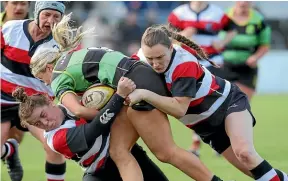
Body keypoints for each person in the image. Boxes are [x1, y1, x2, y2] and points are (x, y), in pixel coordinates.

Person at [30, 13, 224, 181]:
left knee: (164, 152)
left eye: (42, 79)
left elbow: (79, 110)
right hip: (139, 77)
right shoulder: (72, 57)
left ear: (48, 68)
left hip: (136, 85)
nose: (46, 84)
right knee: (121, 151)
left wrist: (107, 112)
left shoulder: (57, 77)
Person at [129, 24, 288, 181]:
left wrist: (145, 94)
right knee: (254, 171)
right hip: (205, 126)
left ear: (171, 48)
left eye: (160, 57)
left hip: (227, 104)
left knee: (245, 153)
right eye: (150, 59)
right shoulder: (140, 59)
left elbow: (179, 109)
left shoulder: (183, 64)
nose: (155, 64)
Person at [12, 79, 170, 181]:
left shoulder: (71, 103)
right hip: (101, 171)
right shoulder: (55, 139)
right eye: (37, 124)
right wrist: (119, 95)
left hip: (128, 151)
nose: (44, 123)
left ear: (49, 101)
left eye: (43, 115)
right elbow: (94, 129)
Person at [1, 2, 67, 181]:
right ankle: (9, 150)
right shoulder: (10, 29)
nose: (50, 21)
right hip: (4, 98)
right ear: (37, 13)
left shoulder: (63, 43)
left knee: (53, 146)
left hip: (38, 102)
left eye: (56, 17)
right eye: (46, 15)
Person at [167, 1, 238, 155]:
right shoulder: (179, 13)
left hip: (214, 62)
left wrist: (222, 42)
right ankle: (196, 144)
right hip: (189, 63)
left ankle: (221, 141)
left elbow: (233, 29)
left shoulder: (217, 13)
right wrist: (185, 34)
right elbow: (168, 38)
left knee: (218, 103)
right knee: (195, 104)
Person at [219, 1, 271, 101]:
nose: (243, 3)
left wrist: (255, 57)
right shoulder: (222, 16)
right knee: (221, 102)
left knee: (243, 102)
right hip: (223, 65)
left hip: (247, 67)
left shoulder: (259, 20)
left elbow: (265, 45)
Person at [1, 0, 30, 151]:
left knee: (15, 138)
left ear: (29, 6)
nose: (19, 7)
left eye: (23, 3)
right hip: (2, 90)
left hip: (24, 93)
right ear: (5, 4)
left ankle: (10, 153)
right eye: (14, 3)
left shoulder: (35, 27)